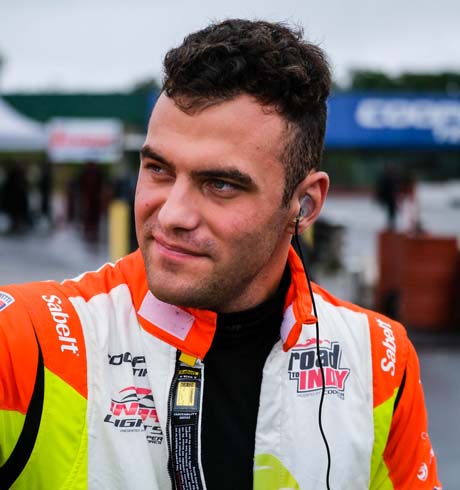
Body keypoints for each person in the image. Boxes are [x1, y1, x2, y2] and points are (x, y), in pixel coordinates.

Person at [0, 19, 441, 490]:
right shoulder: (27, 339)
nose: (172, 214)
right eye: (158, 169)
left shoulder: (379, 358)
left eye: (221, 184)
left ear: (305, 205)